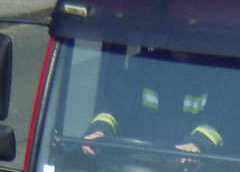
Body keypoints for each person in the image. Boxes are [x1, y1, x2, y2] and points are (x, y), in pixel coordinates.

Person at [82, 46, 226, 158]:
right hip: (129, 171)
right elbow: (113, 107)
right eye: (180, 38)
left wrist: (197, 143)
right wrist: (100, 131)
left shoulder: (218, 76)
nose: (185, 48)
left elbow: (222, 119)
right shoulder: (142, 68)